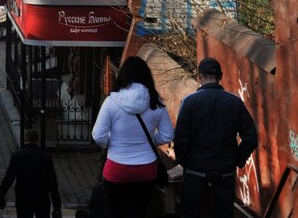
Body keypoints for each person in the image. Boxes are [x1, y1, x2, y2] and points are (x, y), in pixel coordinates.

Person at [91, 55, 175, 218]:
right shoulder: (156, 102)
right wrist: (150, 140)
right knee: (139, 212)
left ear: (123, 75)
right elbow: (167, 135)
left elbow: (98, 135)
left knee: (114, 211)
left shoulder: (111, 101)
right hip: (146, 169)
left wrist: (111, 143)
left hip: (116, 168)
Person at [174, 57, 258, 218]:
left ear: (199, 77)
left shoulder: (189, 102)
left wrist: (184, 161)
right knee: (223, 213)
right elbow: (250, 137)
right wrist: (237, 160)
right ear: (221, 76)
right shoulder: (235, 102)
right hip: (225, 169)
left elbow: (180, 138)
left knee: (191, 212)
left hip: (195, 169)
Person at [0, 129, 62, 218]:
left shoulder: (17, 156)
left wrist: (0, 195)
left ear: (25, 139)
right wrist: (57, 205)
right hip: (42, 199)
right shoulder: (46, 157)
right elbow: (52, 182)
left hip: (23, 198)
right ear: (37, 140)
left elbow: (9, 178)